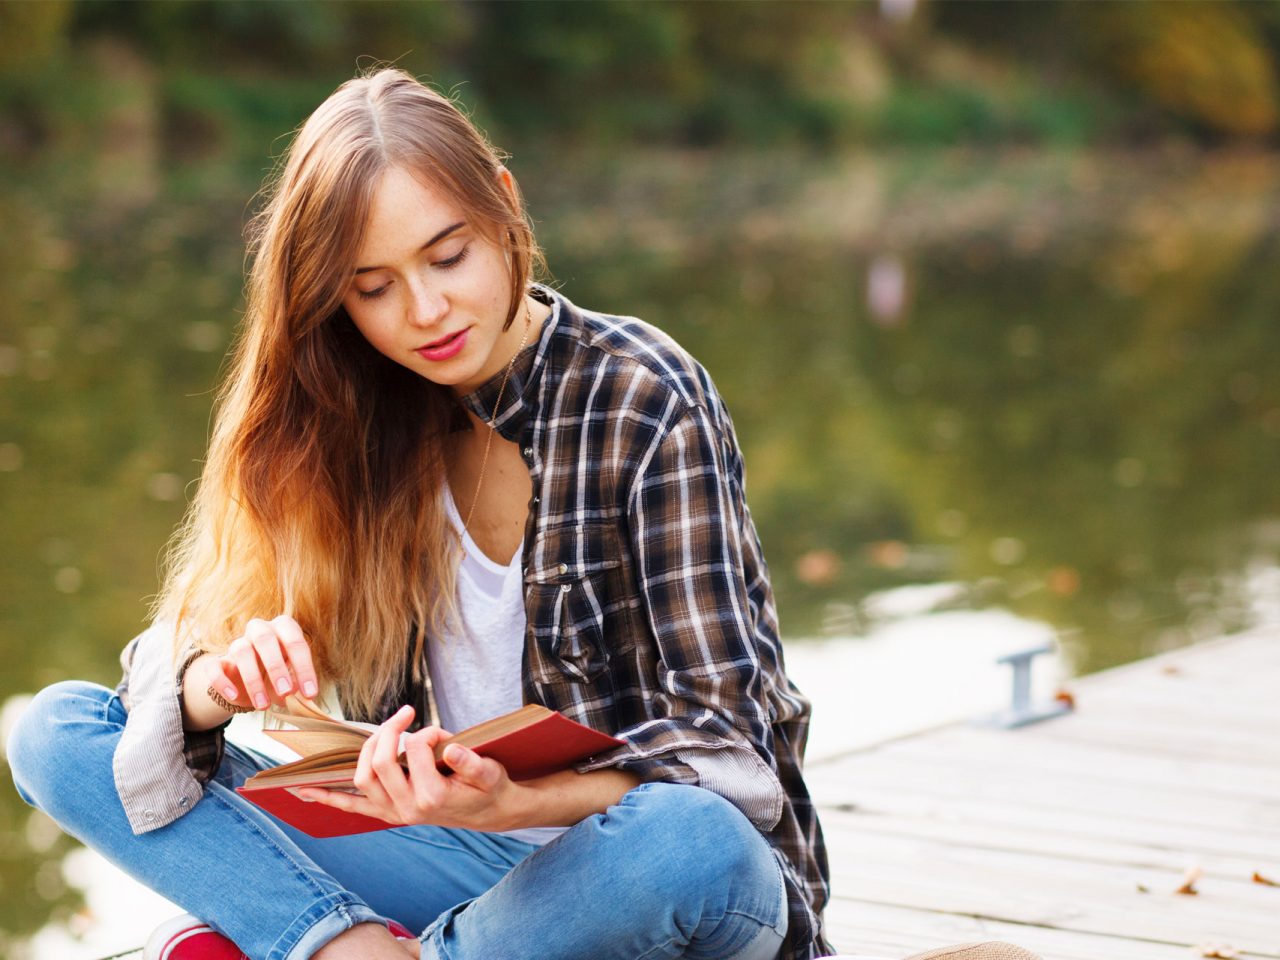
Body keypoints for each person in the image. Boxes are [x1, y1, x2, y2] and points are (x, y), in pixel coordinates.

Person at [7, 68, 1042, 960]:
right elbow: (153, 686)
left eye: (446, 255)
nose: (425, 312)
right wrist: (206, 690)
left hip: (654, 893)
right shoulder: (348, 426)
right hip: (456, 883)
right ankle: (346, 942)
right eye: (372, 287)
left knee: (688, 840)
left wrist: (513, 800)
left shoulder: (641, 395)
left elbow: (732, 766)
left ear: (503, 208)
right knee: (55, 731)